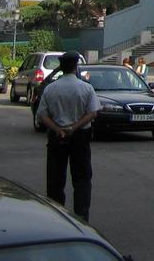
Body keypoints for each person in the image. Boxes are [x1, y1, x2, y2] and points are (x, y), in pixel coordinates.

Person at [36, 51, 101, 222]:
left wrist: (58, 129)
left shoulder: (51, 88)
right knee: (82, 178)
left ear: (61, 68)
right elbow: (92, 113)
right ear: (76, 67)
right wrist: (73, 127)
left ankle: (57, 217)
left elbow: (42, 114)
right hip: (80, 136)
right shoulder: (85, 87)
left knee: (55, 179)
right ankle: (81, 216)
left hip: (57, 138)